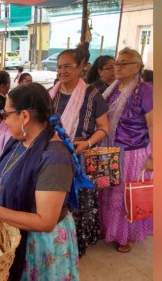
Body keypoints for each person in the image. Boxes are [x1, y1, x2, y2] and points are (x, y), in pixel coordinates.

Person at [0, 83, 84, 281]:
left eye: (7, 114)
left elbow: (45, 221)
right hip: (14, 230)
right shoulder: (18, 141)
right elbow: (1, 182)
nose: (5, 120)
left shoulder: (54, 157)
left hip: (39, 244)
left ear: (25, 116)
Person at [50, 47, 110, 256]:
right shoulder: (52, 93)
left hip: (80, 156)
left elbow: (104, 127)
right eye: (59, 67)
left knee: (79, 200)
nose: (62, 71)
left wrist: (87, 144)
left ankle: (77, 244)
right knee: (56, 199)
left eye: (67, 66)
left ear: (81, 68)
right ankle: (58, 242)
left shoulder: (92, 94)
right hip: (54, 155)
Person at [99, 48, 153, 253]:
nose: (117, 67)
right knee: (108, 193)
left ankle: (126, 236)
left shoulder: (146, 90)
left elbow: (154, 126)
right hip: (109, 150)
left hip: (133, 153)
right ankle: (109, 229)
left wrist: (154, 157)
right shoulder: (111, 89)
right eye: (116, 63)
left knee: (125, 198)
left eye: (123, 63)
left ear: (137, 67)